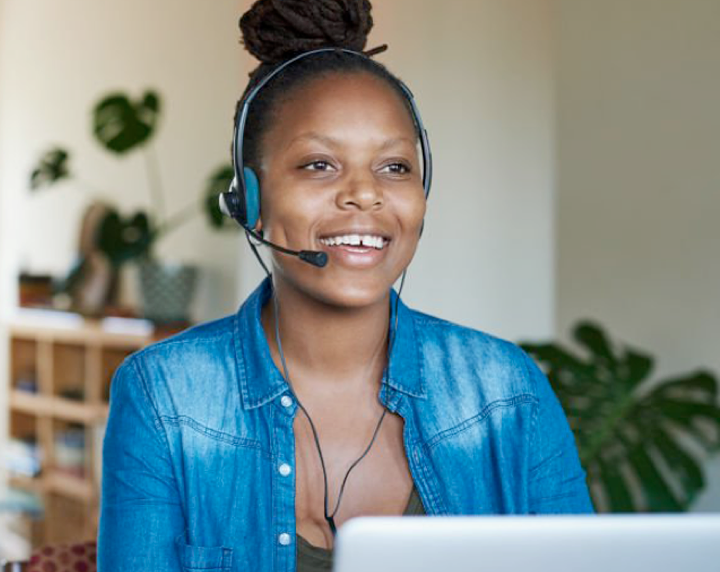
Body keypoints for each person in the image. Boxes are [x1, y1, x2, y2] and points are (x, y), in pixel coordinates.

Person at [97, 1, 592, 571]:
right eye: (318, 165)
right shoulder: (165, 397)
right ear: (249, 201)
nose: (365, 194)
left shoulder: (507, 394)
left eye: (395, 167)